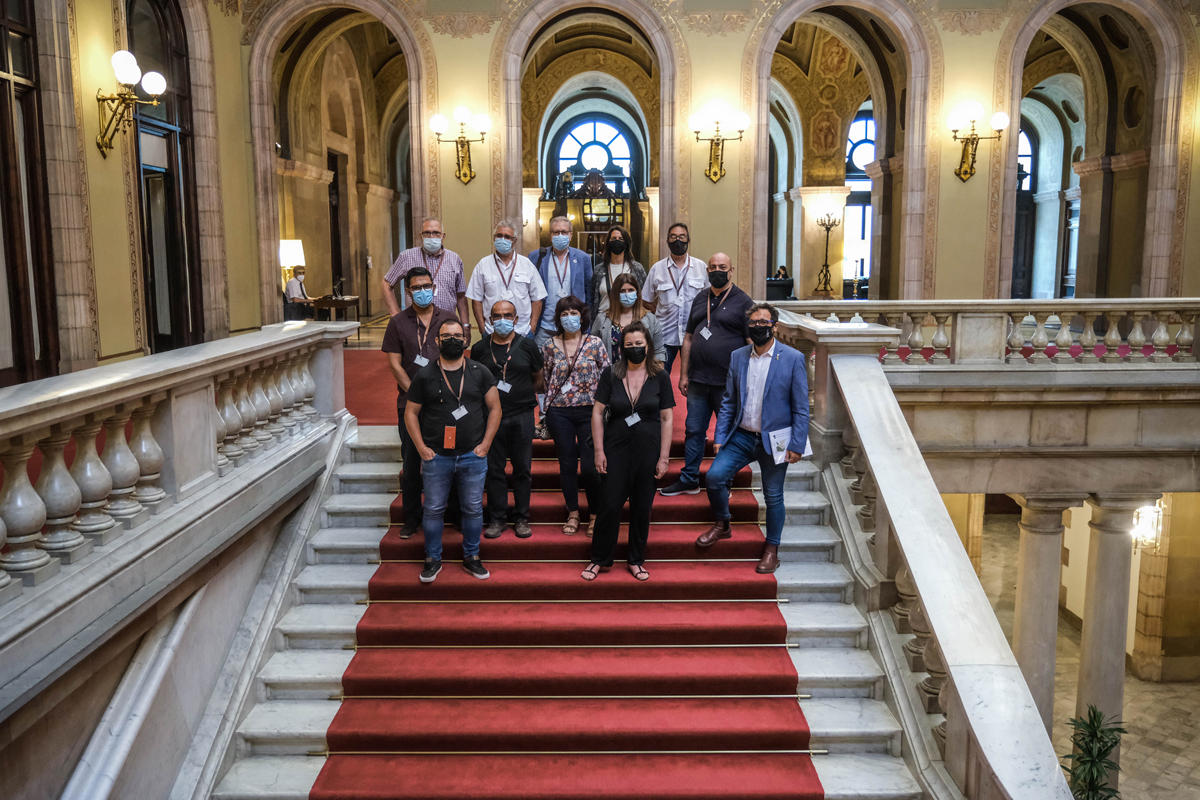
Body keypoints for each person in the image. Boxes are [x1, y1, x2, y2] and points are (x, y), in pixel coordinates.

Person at [698, 303, 809, 574]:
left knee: (773, 497)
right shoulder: (738, 356)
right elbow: (728, 401)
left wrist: (796, 444)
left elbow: (801, 407)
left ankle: (772, 548)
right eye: (754, 323)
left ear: (775, 326)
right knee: (714, 478)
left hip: (775, 441)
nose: (759, 327)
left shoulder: (792, 358)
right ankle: (723, 524)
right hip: (742, 436)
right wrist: (720, 435)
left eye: (764, 322)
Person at [404, 319, 502, 583]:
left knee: (472, 509)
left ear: (465, 340)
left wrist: (485, 445)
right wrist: (421, 448)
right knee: (434, 509)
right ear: (437, 341)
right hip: (436, 456)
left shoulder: (479, 371)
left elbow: (495, 409)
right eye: (446, 336)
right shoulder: (424, 374)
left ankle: (472, 557)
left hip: (473, 454)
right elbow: (410, 413)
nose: (452, 340)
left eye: (458, 336)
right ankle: (432, 559)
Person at [584, 322, 674, 582]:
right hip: (615, 448)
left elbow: (667, 418)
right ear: (621, 347)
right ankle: (599, 559)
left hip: (648, 450)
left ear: (648, 345)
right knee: (610, 506)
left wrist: (664, 457)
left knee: (642, 507)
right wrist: (599, 451)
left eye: (639, 344)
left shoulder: (661, 375)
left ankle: (636, 559)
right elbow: (597, 413)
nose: (635, 349)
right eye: (629, 345)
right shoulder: (611, 374)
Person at [659, 252, 754, 497]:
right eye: (712, 267)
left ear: (731, 271)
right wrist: (683, 374)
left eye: (722, 266)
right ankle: (690, 478)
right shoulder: (700, 297)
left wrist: (747, 380)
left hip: (728, 383)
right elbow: (689, 337)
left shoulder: (743, 302)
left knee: (727, 433)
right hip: (699, 380)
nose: (716, 270)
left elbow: (750, 343)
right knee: (694, 430)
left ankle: (724, 480)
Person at [381, 266, 460, 538]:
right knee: (412, 464)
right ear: (408, 292)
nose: (423, 291)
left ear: (434, 287)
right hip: (410, 407)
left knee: (450, 460)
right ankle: (412, 518)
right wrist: (417, 396)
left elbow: (459, 359)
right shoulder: (398, 322)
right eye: (417, 288)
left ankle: (454, 513)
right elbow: (394, 364)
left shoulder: (449, 318)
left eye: (427, 286)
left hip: (446, 404)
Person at [471, 300, 544, 539]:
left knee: (523, 469)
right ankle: (497, 518)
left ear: (516, 319)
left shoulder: (529, 346)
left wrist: (521, 397)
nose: (502, 319)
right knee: (494, 470)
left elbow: (538, 379)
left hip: (522, 415)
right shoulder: (480, 348)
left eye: (507, 315)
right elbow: (475, 383)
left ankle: (522, 517)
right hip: (491, 417)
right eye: (497, 315)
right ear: (490, 320)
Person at [541, 296, 610, 536]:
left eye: (574, 312)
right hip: (559, 412)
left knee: (591, 467)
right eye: (564, 313)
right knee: (567, 464)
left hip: (590, 412)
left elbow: (606, 376)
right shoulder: (549, 345)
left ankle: (594, 513)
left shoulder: (595, 343)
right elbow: (547, 379)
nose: (570, 317)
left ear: (582, 316)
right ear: (559, 318)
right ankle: (573, 512)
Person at [381, 217, 469, 336]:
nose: (431, 237)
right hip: (415, 324)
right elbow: (386, 283)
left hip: (447, 325)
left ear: (443, 236)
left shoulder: (454, 259)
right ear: (420, 236)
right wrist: (395, 313)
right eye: (427, 233)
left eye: (436, 233)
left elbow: (461, 296)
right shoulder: (407, 257)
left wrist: (465, 326)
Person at [641, 223, 706, 375]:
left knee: (694, 379)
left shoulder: (701, 267)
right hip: (664, 333)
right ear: (667, 241)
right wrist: (658, 310)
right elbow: (645, 299)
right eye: (674, 237)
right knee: (659, 377)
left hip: (693, 334)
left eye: (682, 237)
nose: (678, 240)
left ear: (688, 241)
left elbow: (709, 297)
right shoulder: (657, 268)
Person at [468, 220, 548, 337]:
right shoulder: (483, 265)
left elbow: (537, 299)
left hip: (522, 331)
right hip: (492, 332)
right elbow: (476, 300)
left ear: (514, 241)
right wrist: (482, 329)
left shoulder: (526, 264)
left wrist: (532, 328)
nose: (502, 239)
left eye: (507, 237)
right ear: (494, 238)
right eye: (499, 236)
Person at [531, 215, 593, 349]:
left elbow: (589, 294)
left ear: (571, 235)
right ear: (550, 235)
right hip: (544, 326)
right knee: (542, 367)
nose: (560, 235)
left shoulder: (583, 258)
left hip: (573, 325)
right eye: (556, 232)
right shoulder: (537, 257)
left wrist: (586, 324)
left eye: (564, 232)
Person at [591, 273, 665, 364]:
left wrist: (656, 373)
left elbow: (659, 351)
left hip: (643, 374)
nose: (627, 294)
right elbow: (593, 349)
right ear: (615, 294)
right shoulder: (602, 319)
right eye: (622, 291)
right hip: (611, 374)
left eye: (631, 290)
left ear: (637, 293)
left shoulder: (650, 319)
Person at [590, 225, 646, 321]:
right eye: (614, 238)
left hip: (631, 321)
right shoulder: (599, 270)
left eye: (621, 239)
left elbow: (644, 296)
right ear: (608, 243)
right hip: (603, 321)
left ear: (627, 243)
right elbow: (593, 298)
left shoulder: (636, 268)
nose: (617, 241)